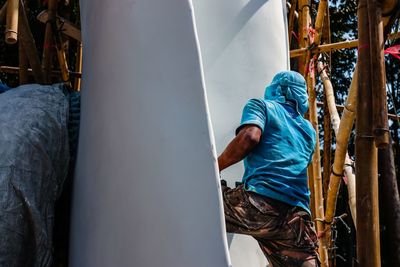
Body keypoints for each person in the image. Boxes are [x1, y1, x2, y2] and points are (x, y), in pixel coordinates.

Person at [218, 71, 319, 267]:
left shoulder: (262, 106)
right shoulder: (309, 131)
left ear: (277, 89)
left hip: (260, 205)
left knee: (200, 202)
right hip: (295, 219)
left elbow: (250, 137)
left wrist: (215, 166)